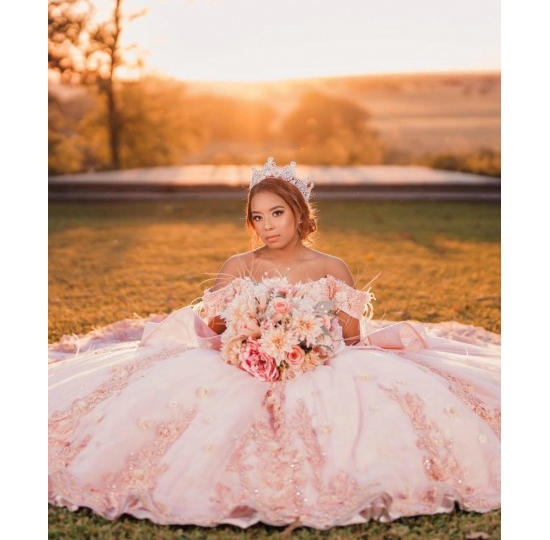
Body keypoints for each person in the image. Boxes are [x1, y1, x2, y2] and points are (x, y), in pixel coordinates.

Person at [48, 158, 500, 530]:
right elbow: (220, 328)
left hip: (320, 363)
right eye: (257, 217)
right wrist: (253, 334)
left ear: (300, 214)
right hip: (243, 363)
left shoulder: (332, 267)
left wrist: (310, 341)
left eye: (277, 214)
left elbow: (350, 336)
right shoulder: (239, 265)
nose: (267, 226)